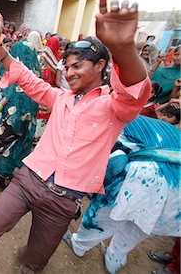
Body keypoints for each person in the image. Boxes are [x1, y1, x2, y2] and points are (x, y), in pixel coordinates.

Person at [0, 0, 151, 274]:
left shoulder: (114, 107)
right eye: (66, 67)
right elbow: (28, 79)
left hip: (63, 202)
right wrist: (0, 47)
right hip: (27, 181)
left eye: (77, 66)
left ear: (101, 66)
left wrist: (124, 49)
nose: (69, 73)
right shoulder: (62, 97)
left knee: (34, 263)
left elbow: (135, 90)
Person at [63, 116, 180, 274]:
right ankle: (115, 259)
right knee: (140, 224)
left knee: (105, 214)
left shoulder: (112, 124)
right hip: (176, 193)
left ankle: (79, 245)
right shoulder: (151, 124)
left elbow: (114, 165)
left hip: (146, 175)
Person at [0, 37, 40, 188]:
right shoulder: (22, 80)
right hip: (18, 129)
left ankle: (5, 180)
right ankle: (9, 180)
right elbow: (7, 98)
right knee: (16, 153)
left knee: (6, 150)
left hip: (13, 128)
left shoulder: (34, 84)